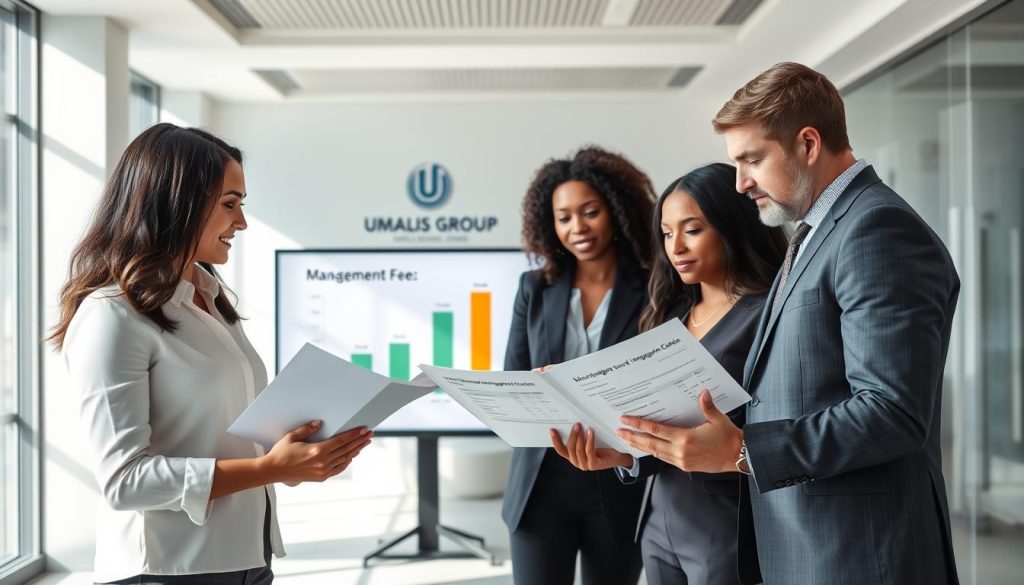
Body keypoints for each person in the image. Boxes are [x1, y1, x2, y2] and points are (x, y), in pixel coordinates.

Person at [616, 62, 961, 584]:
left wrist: (744, 451)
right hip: (809, 547)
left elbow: (892, 410)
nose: (741, 182)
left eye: (752, 160)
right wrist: (630, 443)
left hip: (858, 555)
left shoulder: (877, 229)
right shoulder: (815, 233)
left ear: (807, 143)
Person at [50, 123, 373, 584]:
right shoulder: (111, 315)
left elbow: (221, 437)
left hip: (248, 559)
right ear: (177, 201)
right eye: (229, 204)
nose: (240, 222)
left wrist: (293, 463)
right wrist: (266, 468)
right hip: (166, 570)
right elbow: (124, 481)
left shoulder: (209, 296)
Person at [551, 163, 786, 585]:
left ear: (732, 226)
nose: (675, 246)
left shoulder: (768, 315)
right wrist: (624, 455)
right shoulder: (669, 317)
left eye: (692, 230)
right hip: (659, 518)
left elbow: (780, 423)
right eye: (666, 232)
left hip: (727, 522)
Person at [503, 146, 656, 585]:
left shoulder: (653, 286)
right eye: (564, 217)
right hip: (540, 481)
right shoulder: (534, 287)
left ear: (617, 210)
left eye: (590, 212)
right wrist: (533, 387)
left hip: (616, 479)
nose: (577, 228)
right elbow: (513, 377)